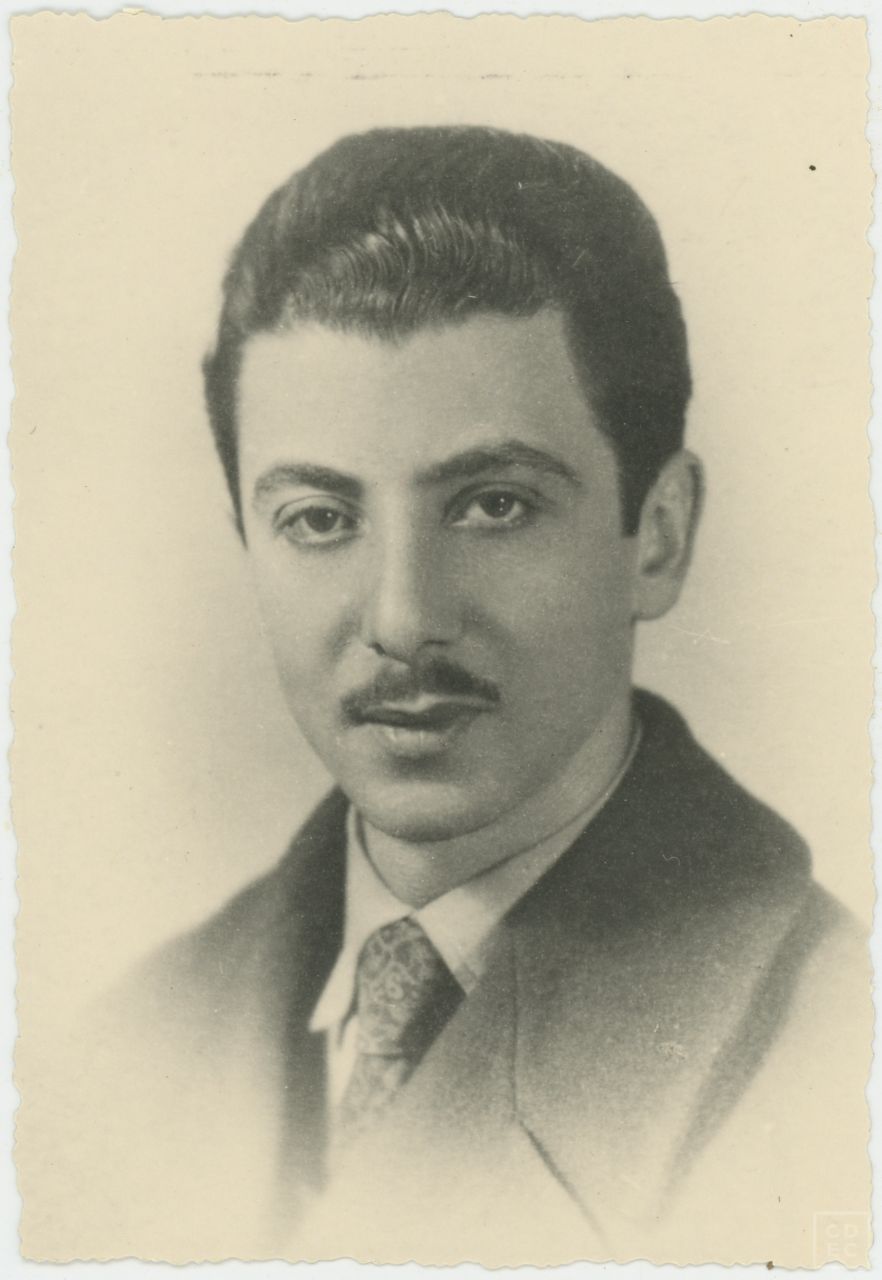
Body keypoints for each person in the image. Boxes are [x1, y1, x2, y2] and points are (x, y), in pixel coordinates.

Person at [35, 126, 870, 1266]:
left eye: (493, 505)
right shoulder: (114, 1055)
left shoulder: (838, 1061)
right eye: (319, 519)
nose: (401, 617)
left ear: (659, 537)